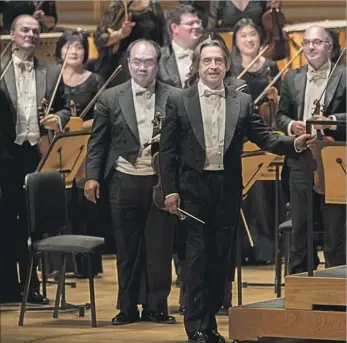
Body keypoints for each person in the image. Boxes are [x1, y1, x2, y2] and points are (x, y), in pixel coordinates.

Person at [159, 38, 312, 343]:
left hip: (226, 192)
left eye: (218, 61)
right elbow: (168, 152)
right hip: (192, 192)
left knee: (219, 263)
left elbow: (265, 137)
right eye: (207, 61)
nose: (213, 66)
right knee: (197, 260)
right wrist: (170, 191)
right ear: (198, 65)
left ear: (227, 66)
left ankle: (211, 325)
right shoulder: (179, 100)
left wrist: (293, 144)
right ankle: (196, 328)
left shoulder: (241, 102)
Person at [84, 39, 179, 325]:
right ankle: (127, 308)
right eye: (137, 62)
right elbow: (97, 144)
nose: (142, 67)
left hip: (159, 181)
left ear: (157, 64)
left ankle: (156, 307)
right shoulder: (110, 97)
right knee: (127, 248)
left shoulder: (174, 96)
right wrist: (91, 177)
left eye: (148, 62)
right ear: (128, 63)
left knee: (159, 247)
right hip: (123, 179)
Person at [0, 15, 70, 304]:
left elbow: (65, 107)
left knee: (33, 222)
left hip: (36, 153)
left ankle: (33, 286)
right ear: (12, 35)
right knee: (5, 221)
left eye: (35, 31)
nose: (30, 34)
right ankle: (5, 286)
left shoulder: (52, 72)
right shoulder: (0, 70)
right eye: (24, 30)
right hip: (6, 153)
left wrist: (59, 119)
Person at [276, 25, 346, 274]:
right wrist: (289, 125)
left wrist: (334, 121)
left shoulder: (344, 75)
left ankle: (337, 292)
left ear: (329, 46)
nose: (310, 47)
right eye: (306, 43)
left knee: (335, 231)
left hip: (333, 161)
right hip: (301, 159)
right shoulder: (292, 78)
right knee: (300, 230)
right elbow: (280, 115)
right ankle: (297, 292)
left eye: (317, 42)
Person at [54, 29, 104, 278]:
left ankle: (87, 265)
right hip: (56, 148)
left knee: (83, 206)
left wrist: (81, 125)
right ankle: (58, 266)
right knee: (58, 204)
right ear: (59, 50)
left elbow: (103, 116)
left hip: (85, 147)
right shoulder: (52, 78)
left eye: (79, 47)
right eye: (68, 46)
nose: (74, 51)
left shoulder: (94, 80)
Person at [93, 0, 167, 87]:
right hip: (121, 68)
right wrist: (120, 34)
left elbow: (164, 37)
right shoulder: (117, 7)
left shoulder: (153, 6)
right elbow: (98, 39)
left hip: (150, 66)